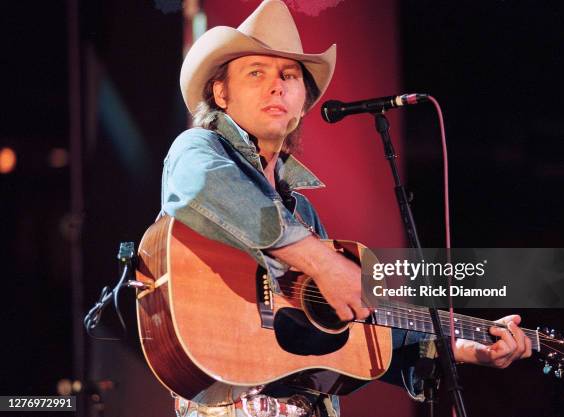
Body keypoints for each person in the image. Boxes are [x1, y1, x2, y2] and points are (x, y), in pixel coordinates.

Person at [161, 1, 531, 416]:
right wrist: (322, 262)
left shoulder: (302, 212)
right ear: (221, 93)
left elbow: (357, 326)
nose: (276, 86)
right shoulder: (197, 149)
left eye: (288, 75)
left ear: (303, 104)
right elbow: (204, 188)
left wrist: (458, 346)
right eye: (255, 73)